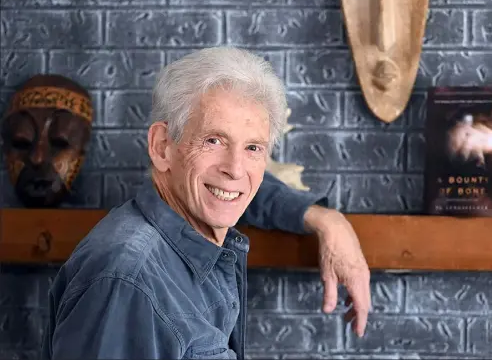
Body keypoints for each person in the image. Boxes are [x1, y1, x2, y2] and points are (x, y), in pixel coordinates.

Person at [40, 47, 371, 359]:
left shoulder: (193, 223)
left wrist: (326, 219)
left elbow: (234, 182)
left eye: (253, 148)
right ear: (161, 147)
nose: (235, 168)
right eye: (214, 140)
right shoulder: (127, 281)